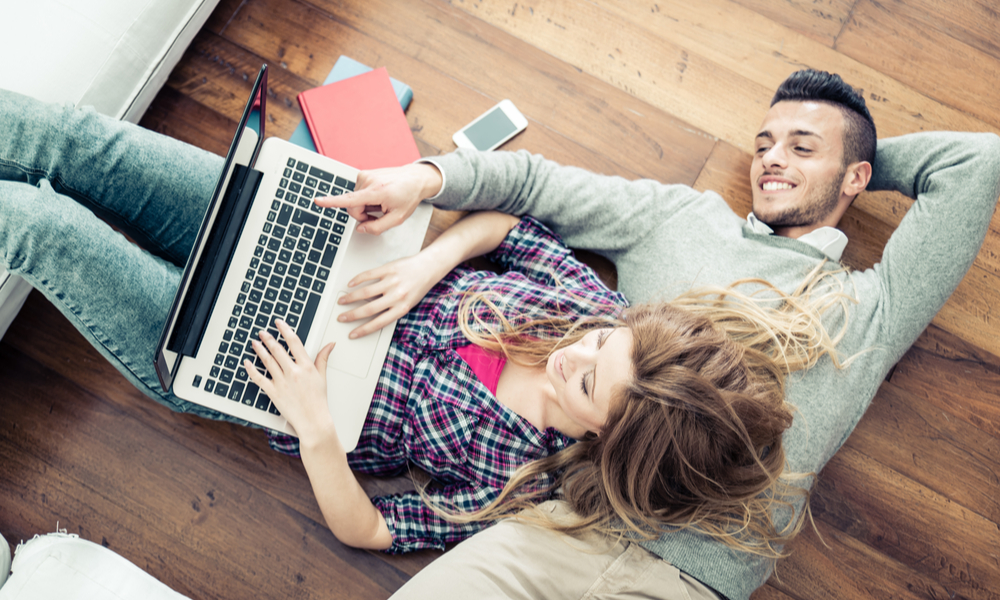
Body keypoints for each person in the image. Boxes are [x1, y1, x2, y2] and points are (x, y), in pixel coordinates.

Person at [0, 84, 836, 556]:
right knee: (75, 142)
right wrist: (429, 262)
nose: (576, 350)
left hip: (248, 368)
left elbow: (368, 527)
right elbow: (509, 228)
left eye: (587, 379)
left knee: (40, 226)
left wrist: (317, 430)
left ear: (604, 440)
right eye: (600, 341)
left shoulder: (527, 485)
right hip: (303, 246)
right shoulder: (595, 312)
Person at [317, 69, 1000, 600]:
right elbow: (536, 185)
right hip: (561, 525)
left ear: (855, 175)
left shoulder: (869, 307)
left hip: (688, 586)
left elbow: (978, 164)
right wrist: (430, 176)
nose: (771, 158)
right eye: (763, 144)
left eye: (800, 146)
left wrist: (857, 161)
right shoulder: (682, 219)